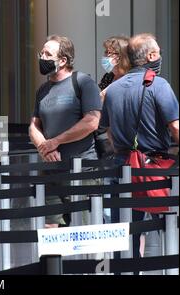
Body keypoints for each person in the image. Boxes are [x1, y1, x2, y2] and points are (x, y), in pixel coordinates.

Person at [101, 33, 179, 260]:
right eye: (159, 53)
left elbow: (107, 129)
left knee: (123, 235)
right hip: (155, 168)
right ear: (151, 55)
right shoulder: (159, 84)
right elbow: (175, 127)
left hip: (121, 165)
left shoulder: (113, 90)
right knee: (165, 230)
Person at [29, 35, 102, 228]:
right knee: (51, 227)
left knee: (83, 230)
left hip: (81, 171)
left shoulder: (83, 82)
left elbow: (92, 122)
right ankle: (56, 260)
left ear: (63, 61)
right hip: (51, 171)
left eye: (47, 54)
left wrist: (56, 141)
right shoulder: (43, 90)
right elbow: (34, 125)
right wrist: (45, 148)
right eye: (41, 53)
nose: (42, 57)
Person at [96, 36, 131, 160]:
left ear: (121, 56)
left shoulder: (131, 77)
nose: (106, 56)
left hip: (124, 135)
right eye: (106, 52)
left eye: (109, 53)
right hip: (105, 133)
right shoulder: (108, 77)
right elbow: (98, 101)